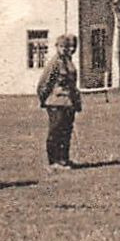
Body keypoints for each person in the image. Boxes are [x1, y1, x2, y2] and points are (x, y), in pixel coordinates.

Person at [37, 33, 82, 171]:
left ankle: (63, 159)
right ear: (57, 47)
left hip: (68, 103)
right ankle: (53, 161)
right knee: (55, 131)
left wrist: (77, 102)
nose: (67, 49)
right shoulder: (54, 63)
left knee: (66, 131)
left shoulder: (69, 62)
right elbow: (44, 84)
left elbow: (72, 85)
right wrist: (45, 99)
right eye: (62, 46)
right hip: (56, 102)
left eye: (70, 47)